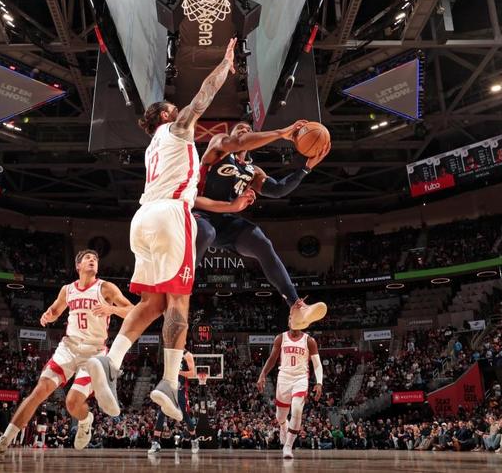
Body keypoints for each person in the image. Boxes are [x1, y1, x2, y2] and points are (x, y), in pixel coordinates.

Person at [88, 39, 238, 422]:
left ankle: (111, 361)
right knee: (178, 303)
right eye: (173, 107)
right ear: (166, 115)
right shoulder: (176, 129)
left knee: (151, 304)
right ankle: (169, 382)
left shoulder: (151, 147)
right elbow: (203, 96)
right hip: (171, 215)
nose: (178, 108)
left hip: (142, 219)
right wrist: (225, 63)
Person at [0, 249, 133, 459]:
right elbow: (55, 310)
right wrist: (48, 315)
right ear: (78, 266)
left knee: (72, 403)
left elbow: (132, 310)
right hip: (69, 348)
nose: (92, 260)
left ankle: (85, 420)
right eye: (88, 258)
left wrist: (113, 309)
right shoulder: (67, 290)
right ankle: (3, 442)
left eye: (95, 259)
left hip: (94, 352)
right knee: (39, 391)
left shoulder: (105, 287)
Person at [193, 120, 330, 330]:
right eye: (240, 128)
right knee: (207, 232)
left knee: (261, 242)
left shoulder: (253, 171)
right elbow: (239, 142)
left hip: (227, 222)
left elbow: (278, 190)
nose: (245, 130)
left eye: (249, 129)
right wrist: (281, 132)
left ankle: (296, 307)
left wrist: (306, 168)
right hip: (200, 213)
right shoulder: (219, 145)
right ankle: (179, 286)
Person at [256, 320, 323, 459]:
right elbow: (272, 359)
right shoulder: (281, 338)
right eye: (292, 318)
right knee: (280, 416)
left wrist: (319, 383)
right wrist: (262, 374)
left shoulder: (309, 341)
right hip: (284, 379)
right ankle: (283, 426)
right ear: (288, 321)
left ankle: (288, 446)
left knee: (297, 409)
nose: (294, 322)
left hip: (300, 378)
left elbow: (317, 364)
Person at [148, 350, 198, 454]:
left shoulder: (187, 355)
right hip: (169, 387)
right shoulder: (170, 352)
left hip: (180, 389)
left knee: (185, 416)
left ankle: (194, 440)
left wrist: (178, 372)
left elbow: (192, 373)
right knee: (161, 413)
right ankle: (155, 442)